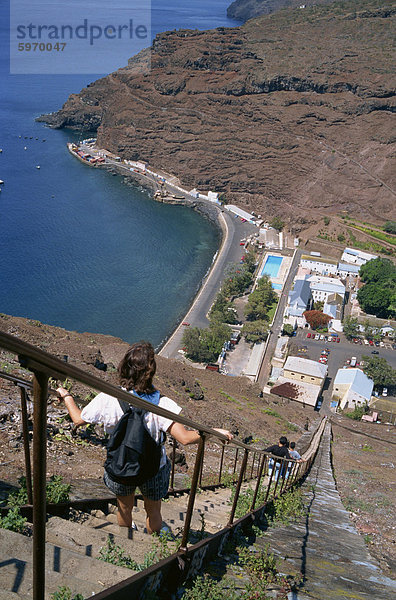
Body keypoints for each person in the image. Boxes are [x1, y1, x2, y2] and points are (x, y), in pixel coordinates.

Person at [57, 341, 232, 535]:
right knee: (153, 511)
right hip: (153, 469)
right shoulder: (162, 404)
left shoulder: (107, 397)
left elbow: (78, 419)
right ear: (151, 372)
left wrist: (67, 396)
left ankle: (126, 539)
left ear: (124, 368)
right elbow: (185, 438)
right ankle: (155, 540)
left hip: (121, 465)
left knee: (124, 508)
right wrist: (212, 432)